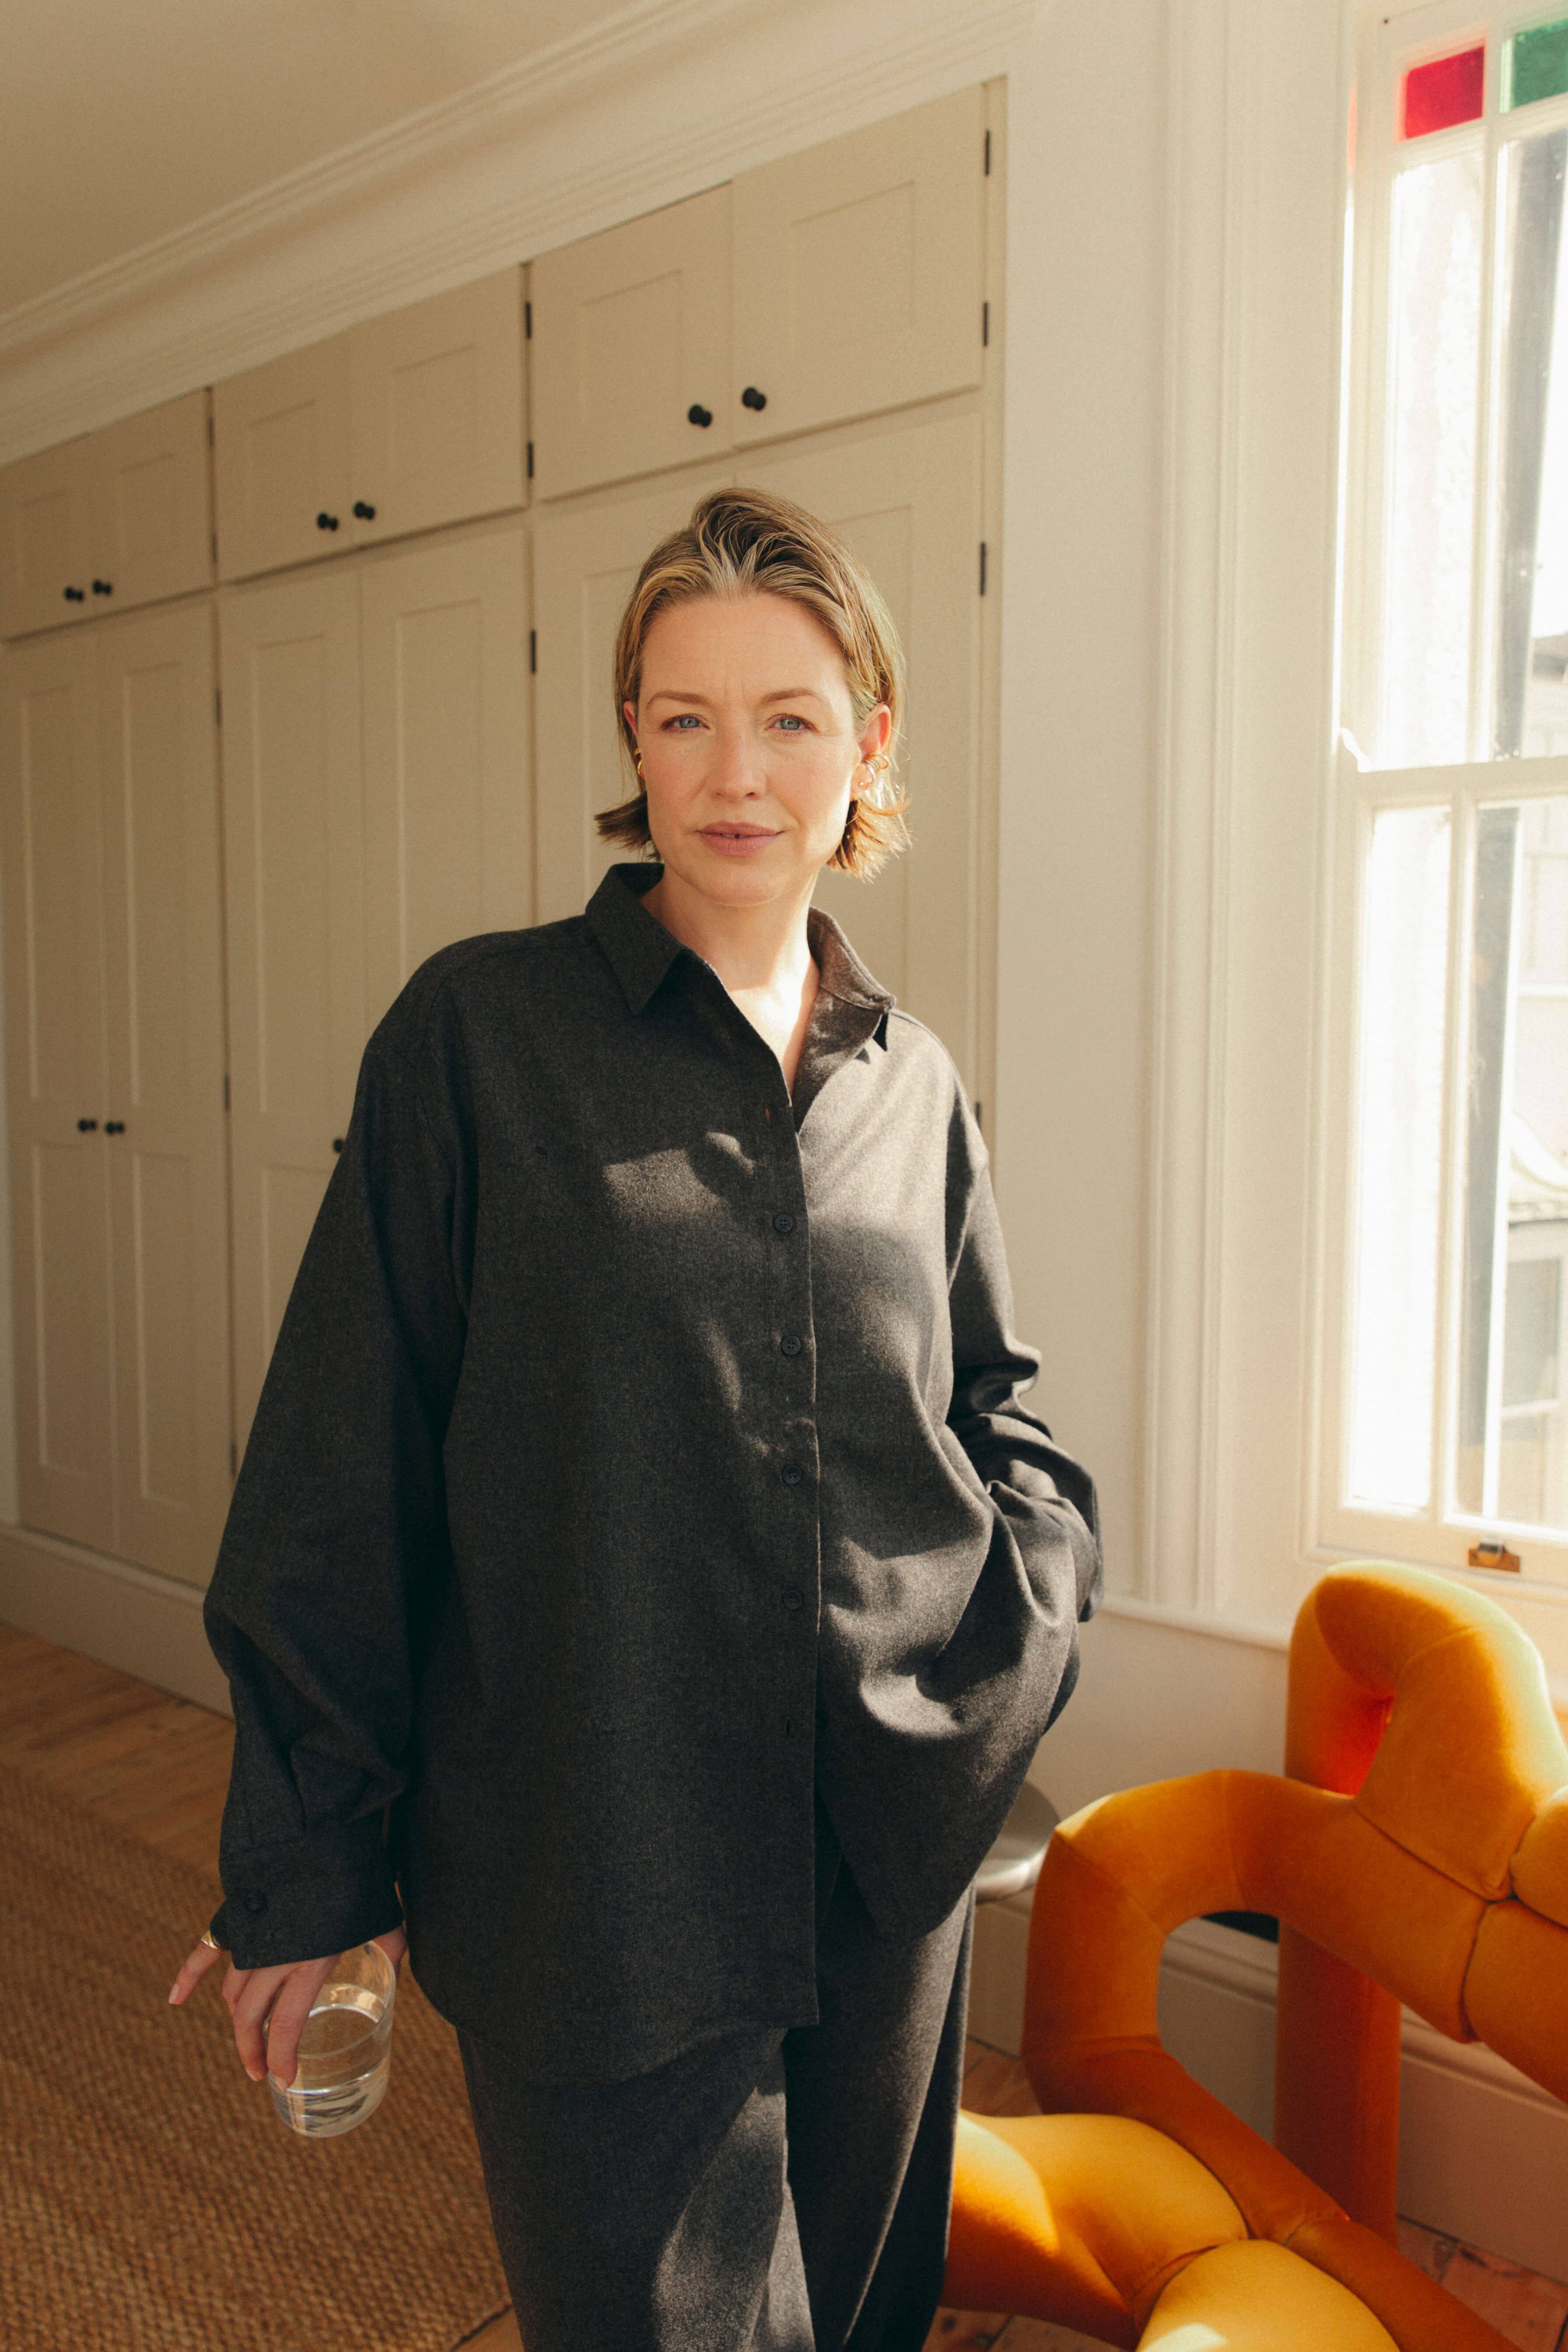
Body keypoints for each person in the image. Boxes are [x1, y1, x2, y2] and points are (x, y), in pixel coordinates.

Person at [169, 487, 1100, 2351]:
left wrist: (1024, 1628)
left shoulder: (914, 1084)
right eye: (686, 717)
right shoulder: (476, 1040)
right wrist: (311, 1860)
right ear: (633, 741)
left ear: (869, 744)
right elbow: (342, 1461)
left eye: (788, 719)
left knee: (863, 2317)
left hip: (880, 1863)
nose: (735, 773)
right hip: (591, 1866)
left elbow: (991, 1407)